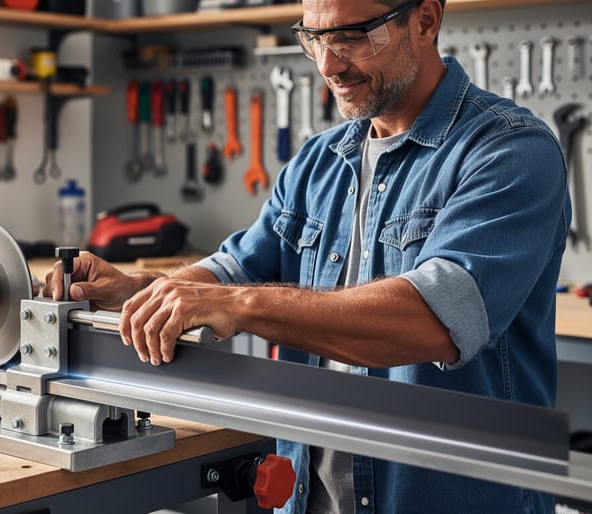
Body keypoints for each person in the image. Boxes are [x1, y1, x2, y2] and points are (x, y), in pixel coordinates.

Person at [45, 0, 570, 512]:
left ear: (426, 21)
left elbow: (432, 321)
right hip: (308, 495)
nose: (328, 64)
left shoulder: (510, 150)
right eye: (315, 38)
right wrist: (143, 293)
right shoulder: (320, 161)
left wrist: (242, 305)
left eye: (352, 37)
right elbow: (234, 270)